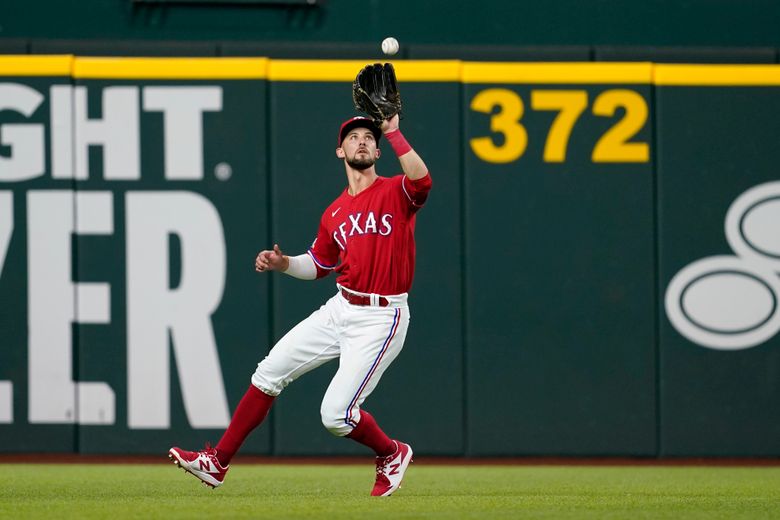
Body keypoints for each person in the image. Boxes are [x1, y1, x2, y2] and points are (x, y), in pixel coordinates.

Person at [168, 112, 432, 497]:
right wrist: (285, 263)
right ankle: (217, 462)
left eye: (368, 138)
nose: (362, 141)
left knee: (336, 416)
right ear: (340, 151)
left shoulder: (397, 191)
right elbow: (320, 265)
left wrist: (393, 131)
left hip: (382, 316)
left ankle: (392, 453)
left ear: (377, 150)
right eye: (353, 137)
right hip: (341, 307)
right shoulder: (334, 212)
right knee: (268, 372)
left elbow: (422, 179)